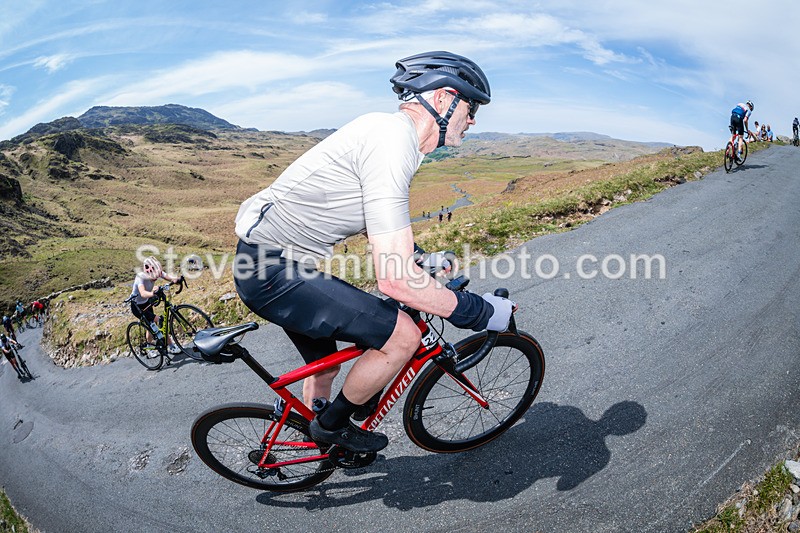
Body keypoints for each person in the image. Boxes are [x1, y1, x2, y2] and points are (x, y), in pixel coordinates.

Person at [233, 51, 513, 454]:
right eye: (471, 108)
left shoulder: (386, 133)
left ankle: (320, 443)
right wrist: (480, 312)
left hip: (270, 266)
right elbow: (395, 280)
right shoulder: (391, 143)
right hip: (275, 274)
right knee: (401, 336)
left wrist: (419, 257)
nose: (473, 120)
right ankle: (332, 429)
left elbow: (377, 225)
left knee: (326, 370)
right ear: (443, 99)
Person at [129, 256, 182, 354]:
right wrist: (153, 293)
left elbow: (168, 277)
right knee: (160, 320)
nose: (155, 279)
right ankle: (171, 346)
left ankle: (150, 346)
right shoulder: (140, 277)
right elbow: (143, 293)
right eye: (154, 278)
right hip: (137, 306)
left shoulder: (156, 272)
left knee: (151, 325)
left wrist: (176, 280)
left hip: (146, 303)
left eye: (157, 277)